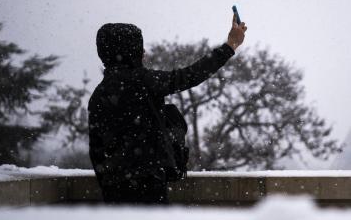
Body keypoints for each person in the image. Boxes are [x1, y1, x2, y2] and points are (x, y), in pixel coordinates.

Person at [88, 14, 247, 205]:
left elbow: (96, 149)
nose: (144, 52)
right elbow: (192, 74)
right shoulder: (144, 82)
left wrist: (109, 182)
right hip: (149, 188)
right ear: (133, 51)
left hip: (114, 191)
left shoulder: (99, 95)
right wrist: (230, 46)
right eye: (140, 47)